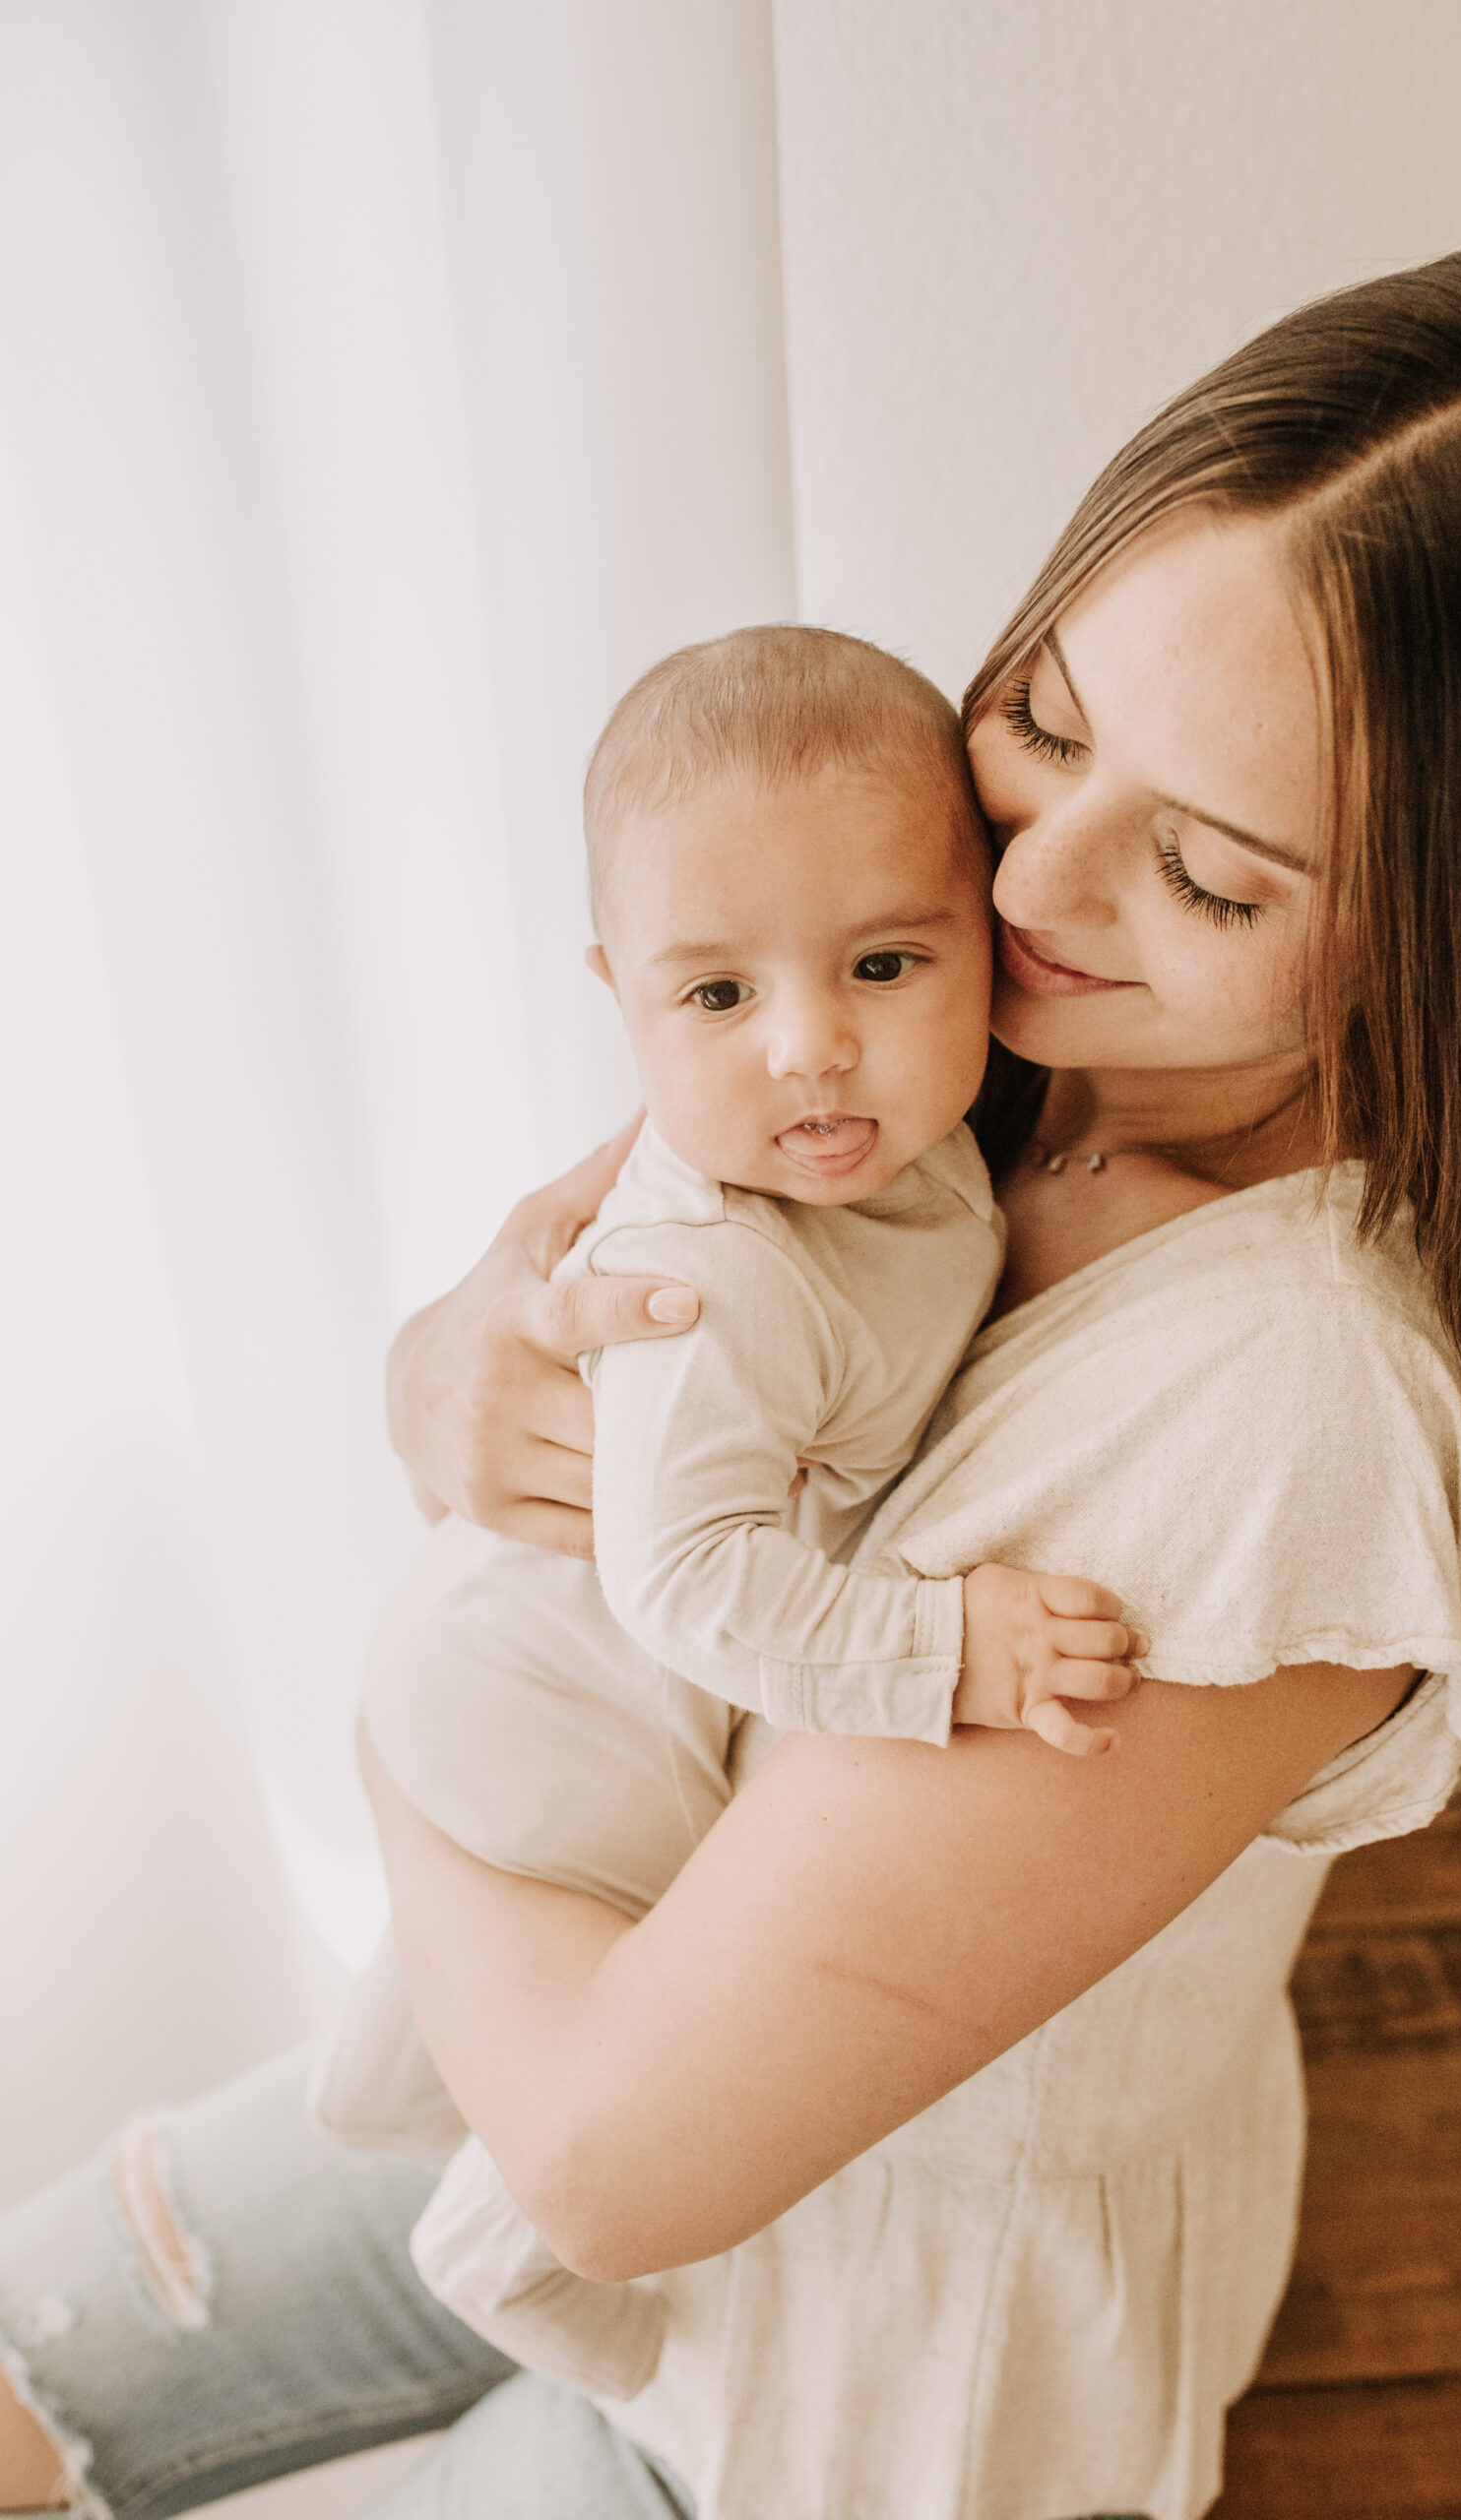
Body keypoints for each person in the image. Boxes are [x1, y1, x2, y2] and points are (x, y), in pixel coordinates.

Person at [3, 243, 1461, 2520]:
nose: (1024, 882)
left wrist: (404, 1707)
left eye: (1199, 869)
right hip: (546, 2014)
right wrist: (450, 1376)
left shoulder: (1292, 1404)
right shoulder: (994, 1017)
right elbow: (560, 1278)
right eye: (1054, 724)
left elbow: (609, 2154)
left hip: (838, 2373)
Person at [318, 621, 1141, 2379]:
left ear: (981, 932)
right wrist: (947, 1654)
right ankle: (501, 2248)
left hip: (555, 1666)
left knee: (497, 1973)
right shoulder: (710, 1279)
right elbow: (694, 1592)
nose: (808, 1052)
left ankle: (403, 2129)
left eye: (882, 965)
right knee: (623, 1971)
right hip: (540, 1688)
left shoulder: (903, 1169)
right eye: (718, 998)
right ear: (622, 992)